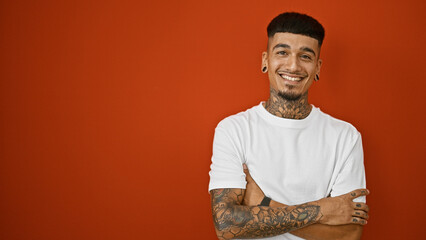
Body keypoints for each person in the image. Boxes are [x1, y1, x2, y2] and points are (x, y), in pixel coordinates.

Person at [208, 12, 369, 240]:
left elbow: (350, 235)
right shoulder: (233, 130)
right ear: (265, 61)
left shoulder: (346, 136)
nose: (293, 66)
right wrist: (322, 210)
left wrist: (263, 203)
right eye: (282, 52)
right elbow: (226, 225)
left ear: (318, 67)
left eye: (305, 56)